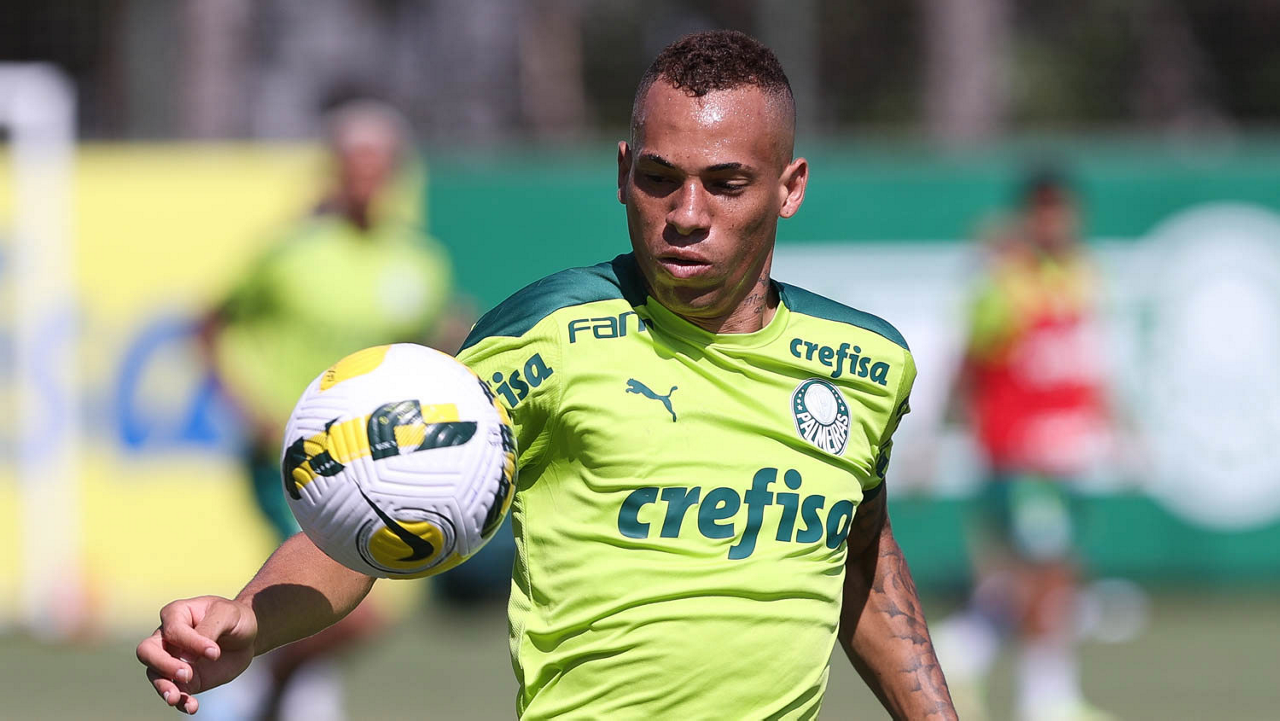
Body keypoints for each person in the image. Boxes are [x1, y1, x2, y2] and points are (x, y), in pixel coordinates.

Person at [139, 31, 956, 719]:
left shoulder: (868, 364)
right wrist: (249, 617)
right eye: (659, 178)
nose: (687, 214)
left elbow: (860, 551)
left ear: (789, 188)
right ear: (623, 172)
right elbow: (374, 512)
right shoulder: (546, 333)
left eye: (726, 183)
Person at [196, 99, 466, 720]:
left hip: (368, 459)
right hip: (290, 455)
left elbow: (430, 347)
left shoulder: (420, 261)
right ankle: (260, 691)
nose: (365, 178)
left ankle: (269, 694)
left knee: (352, 609)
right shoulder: (290, 253)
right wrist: (246, 407)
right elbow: (210, 324)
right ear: (335, 168)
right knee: (343, 604)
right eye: (354, 163)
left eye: (378, 164)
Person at [935, 170, 1113, 721]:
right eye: (1043, 210)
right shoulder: (1004, 283)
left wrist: (1113, 423)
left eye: (1061, 209)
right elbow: (970, 363)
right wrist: (942, 430)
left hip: (1069, 453)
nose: (1054, 222)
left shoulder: (1083, 275)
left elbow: (1086, 360)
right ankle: (1046, 700)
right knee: (1045, 570)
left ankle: (960, 651)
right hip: (1020, 455)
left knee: (1050, 575)